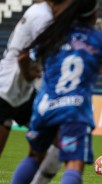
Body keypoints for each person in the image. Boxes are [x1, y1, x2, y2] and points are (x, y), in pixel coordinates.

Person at [10, 0, 102, 183]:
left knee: (34, 156)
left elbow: (24, 57)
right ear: (93, 14)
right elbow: (95, 60)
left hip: (44, 106)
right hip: (75, 109)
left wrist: (28, 74)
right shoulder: (100, 40)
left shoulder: (53, 34)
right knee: (73, 165)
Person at [0, 0, 73, 183]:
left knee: (57, 136)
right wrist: (30, 74)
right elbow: (24, 58)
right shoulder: (43, 17)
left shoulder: (41, 13)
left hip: (19, 94)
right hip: (5, 92)